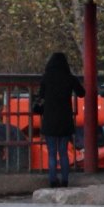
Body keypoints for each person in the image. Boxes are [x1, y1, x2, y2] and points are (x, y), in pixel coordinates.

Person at [36, 52, 87, 188]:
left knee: (52, 153)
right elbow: (82, 93)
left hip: (49, 120)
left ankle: (53, 180)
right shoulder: (70, 78)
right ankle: (65, 181)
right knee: (63, 152)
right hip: (65, 119)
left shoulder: (46, 78)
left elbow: (40, 96)